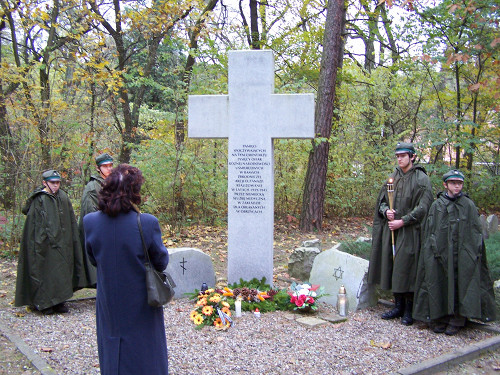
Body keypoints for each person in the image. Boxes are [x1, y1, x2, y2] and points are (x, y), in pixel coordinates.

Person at [83, 164, 169, 374]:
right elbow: (161, 261)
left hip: (109, 299)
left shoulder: (90, 222)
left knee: (112, 349)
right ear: (134, 192)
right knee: (145, 351)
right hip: (141, 300)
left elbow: (93, 258)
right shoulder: (147, 223)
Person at [413, 169, 496, 335]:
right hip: (440, 252)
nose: (457, 186)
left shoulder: (468, 205)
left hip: (462, 254)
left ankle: (458, 318)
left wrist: (471, 252)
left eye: (459, 183)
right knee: (439, 280)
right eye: (453, 183)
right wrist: (434, 249)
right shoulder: (437, 206)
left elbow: (474, 232)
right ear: (446, 185)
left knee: (462, 282)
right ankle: (440, 316)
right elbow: (430, 231)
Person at [367, 142, 433, 325]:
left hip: (410, 231)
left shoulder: (421, 179)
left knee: (407, 267)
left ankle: (409, 310)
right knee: (393, 265)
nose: (400, 159)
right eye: (397, 156)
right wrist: (385, 211)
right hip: (392, 231)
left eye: (403, 155)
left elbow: (424, 206)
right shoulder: (393, 177)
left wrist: (403, 221)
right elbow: (382, 201)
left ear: (412, 157)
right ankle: (398, 305)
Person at [15, 169, 86, 314]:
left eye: (58, 183)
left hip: (64, 243)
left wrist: (71, 240)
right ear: (44, 183)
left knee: (62, 273)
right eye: (53, 183)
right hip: (44, 245)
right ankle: (45, 304)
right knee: (44, 273)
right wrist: (41, 242)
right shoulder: (39, 199)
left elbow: (70, 221)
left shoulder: (63, 197)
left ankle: (60, 302)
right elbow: (33, 227)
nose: (56, 186)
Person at [78, 153, 114, 287]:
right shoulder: (93, 187)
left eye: (110, 165)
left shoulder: (110, 184)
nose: (109, 169)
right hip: (100, 232)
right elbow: (91, 215)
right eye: (105, 166)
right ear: (98, 168)